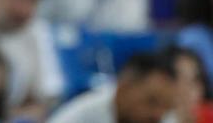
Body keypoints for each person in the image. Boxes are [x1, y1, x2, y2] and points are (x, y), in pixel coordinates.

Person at [47, 51, 178, 123]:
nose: (157, 114)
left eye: (166, 107)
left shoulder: (165, 119)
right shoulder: (78, 117)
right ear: (123, 87)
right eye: (152, 102)